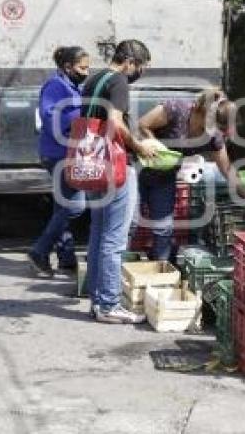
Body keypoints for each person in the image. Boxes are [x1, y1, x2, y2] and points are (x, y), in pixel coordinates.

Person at [82, 40, 157, 324]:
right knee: (114, 239)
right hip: (116, 167)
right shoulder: (119, 82)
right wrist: (139, 147)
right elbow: (115, 120)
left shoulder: (93, 80)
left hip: (93, 165)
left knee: (98, 234)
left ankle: (97, 300)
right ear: (129, 62)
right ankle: (110, 304)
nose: (139, 72)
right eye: (140, 67)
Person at [137, 89, 245, 262]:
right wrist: (157, 148)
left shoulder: (213, 138)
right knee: (129, 224)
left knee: (163, 228)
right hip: (139, 167)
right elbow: (143, 124)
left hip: (164, 176)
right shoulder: (177, 108)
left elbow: (226, 169)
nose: (218, 132)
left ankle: (161, 272)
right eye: (218, 126)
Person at [28, 46, 90, 277]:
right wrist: (80, 116)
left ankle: (65, 257)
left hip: (68, 153)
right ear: (67, 67)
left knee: (62, 206)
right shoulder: (56, 86)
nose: (86, 71)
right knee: (75, 205)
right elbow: (50, 117)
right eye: (82, 67)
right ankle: (39, 250)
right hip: (58, 154)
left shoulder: (73, 86)